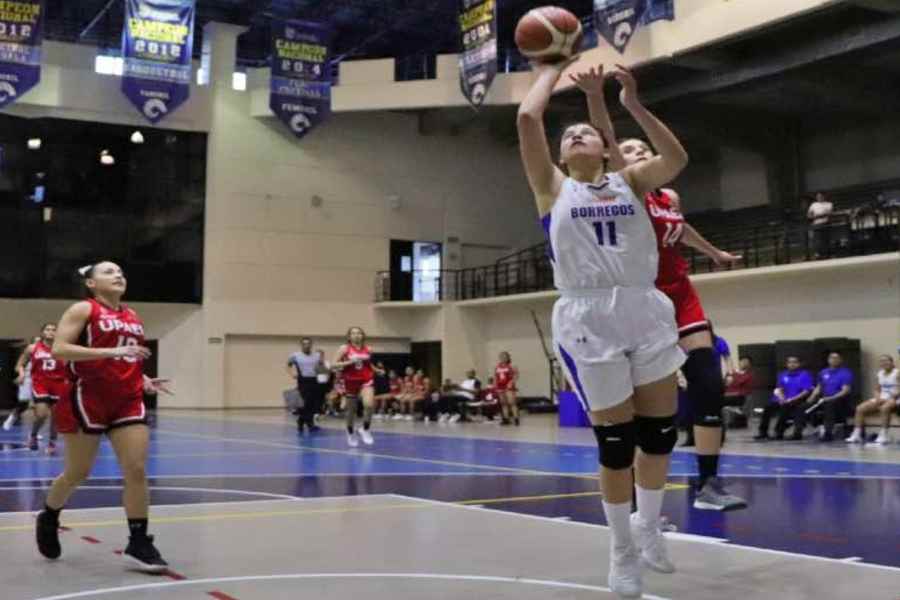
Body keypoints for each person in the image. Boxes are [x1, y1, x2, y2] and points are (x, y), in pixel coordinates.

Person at [522, 59, 688, 597]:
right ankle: (620, 551)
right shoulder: (550, 186)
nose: (574, 135)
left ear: (604, 147)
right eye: (567, 133)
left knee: (660, 433)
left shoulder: (631, 182)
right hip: (589, 315)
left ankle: (647, 527)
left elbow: (677, 158)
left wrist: (630, 104)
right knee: (616, 443)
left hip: (643, 306)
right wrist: (548, 68)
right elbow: (528, 118)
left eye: (586, 131)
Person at [607, 123, 744, 508]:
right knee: (646, 407)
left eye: (643, 148)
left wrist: (715, 253)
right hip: (642, 299)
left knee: (708, 385)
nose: (638, 152)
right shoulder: (623, 189)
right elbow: (613, 150)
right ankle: (637, 498)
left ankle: (709, 485)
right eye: (629, 148)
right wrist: (605, 101)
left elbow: (680, 230)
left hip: (680, 294)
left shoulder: (668, 195)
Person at [36, 261, 171, 572]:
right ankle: (49, 515)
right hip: (87, 397)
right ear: (91, 284)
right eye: (109, 272)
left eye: (122, 271)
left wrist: (143, 379)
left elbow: (126, 358)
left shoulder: (132, 316)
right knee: (77, 473)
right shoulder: (83, 310)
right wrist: (110, 354)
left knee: (136, 469)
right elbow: (60, 349)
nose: (118, 275)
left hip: (126, 399)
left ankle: (138, 542)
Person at [16, 325, 66, 454]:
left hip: (59, 385)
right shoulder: (33, 348)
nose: (50, 332)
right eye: (47, 330)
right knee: (42, 414)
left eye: (54, 330)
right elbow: (20, 364)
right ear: (42, 332)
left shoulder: (63, 349)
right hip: (41, 384)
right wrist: (21, 374)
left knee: (56, 416)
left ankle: (52, 442)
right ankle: (33, 436)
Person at [332, 327, 377, 447]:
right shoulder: (344, 349)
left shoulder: (368, 349)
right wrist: (349, 362)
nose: (356, 335)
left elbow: (368, 364)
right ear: (349, 336)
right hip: (350, 381)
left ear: (363, 335)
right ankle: (350, 432)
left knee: (369, 404)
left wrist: (377, 370)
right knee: (351, 412)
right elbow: (333, 364)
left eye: (359, 333)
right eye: (353, 333)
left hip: (366, 380)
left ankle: (365, 429)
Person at [754, 356, 814, 440]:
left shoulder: (804, 375)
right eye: (790, 362)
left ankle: (779, 432)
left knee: (785, 407)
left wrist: (792, 399)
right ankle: (763, 432)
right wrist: (782, 398)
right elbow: (780, 388)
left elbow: (806, 391)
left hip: (797, 400)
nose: (792, 364)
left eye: (794, 362)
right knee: (768, 406)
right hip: (784, 399)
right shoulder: (783, 375)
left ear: (799, 364)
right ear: (787, 364)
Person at [845, 354, 898, 444]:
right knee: (860, 408)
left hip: (895, 397)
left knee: (884, 408)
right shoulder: (880, 373)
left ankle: (884, 435)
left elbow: (898, 389)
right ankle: (856, 434)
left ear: (892, 362)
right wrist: (878, 398)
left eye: (886, 361)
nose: (884, 363)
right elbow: (877, 389)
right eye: (882, 361)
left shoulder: (897, 373)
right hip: (883, 397)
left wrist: (888, 399)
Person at [804, 351, 853, 442]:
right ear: (828, 360)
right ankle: (797, 432)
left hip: (839, 400)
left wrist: (831, 398)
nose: (833, 360)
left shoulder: (845, 373)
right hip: (824, 399)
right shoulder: (823, 372)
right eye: (831, 358)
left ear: (840, 360)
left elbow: (845, 391)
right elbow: (819, 387)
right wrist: (812, 397)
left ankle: (828, 433)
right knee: (804, 406)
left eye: (836, 358)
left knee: (829, 405)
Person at [286, 337, 325, 433]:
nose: (306, 345)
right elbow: (288, 365)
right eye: (304, 344)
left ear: (311, 345)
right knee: (305, 402)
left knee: (312, 403)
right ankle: (309, 424)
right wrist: (292, 374)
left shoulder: (316, 355)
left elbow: (321, 367)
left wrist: (322, 358)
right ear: (301, 345)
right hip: (303, 380)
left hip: (314, 380)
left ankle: (302, 421)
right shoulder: (295, 356)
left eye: (308, 344)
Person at [3, 338, 38, 431]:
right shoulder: (28, 354)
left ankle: (34, 431)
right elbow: (18, 366)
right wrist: (21, 375)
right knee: (24, 403)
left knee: (39, 404)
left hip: (40, 380)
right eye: (36, 341)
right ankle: (12, 417)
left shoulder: (46, 353)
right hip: (27, 379)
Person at [495, 352, 521, 426]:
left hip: (508, 386)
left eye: (504, 357)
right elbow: (495, 377)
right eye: (501, 357)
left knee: (512, 402)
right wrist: (495, 386)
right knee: (503, 403)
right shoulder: (497, 366)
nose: (503, 358)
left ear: (508, 357)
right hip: (500, 387)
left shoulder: (512, 366)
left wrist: (511, 383)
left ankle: (516, 419)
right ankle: (506, 419)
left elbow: (516, 375)